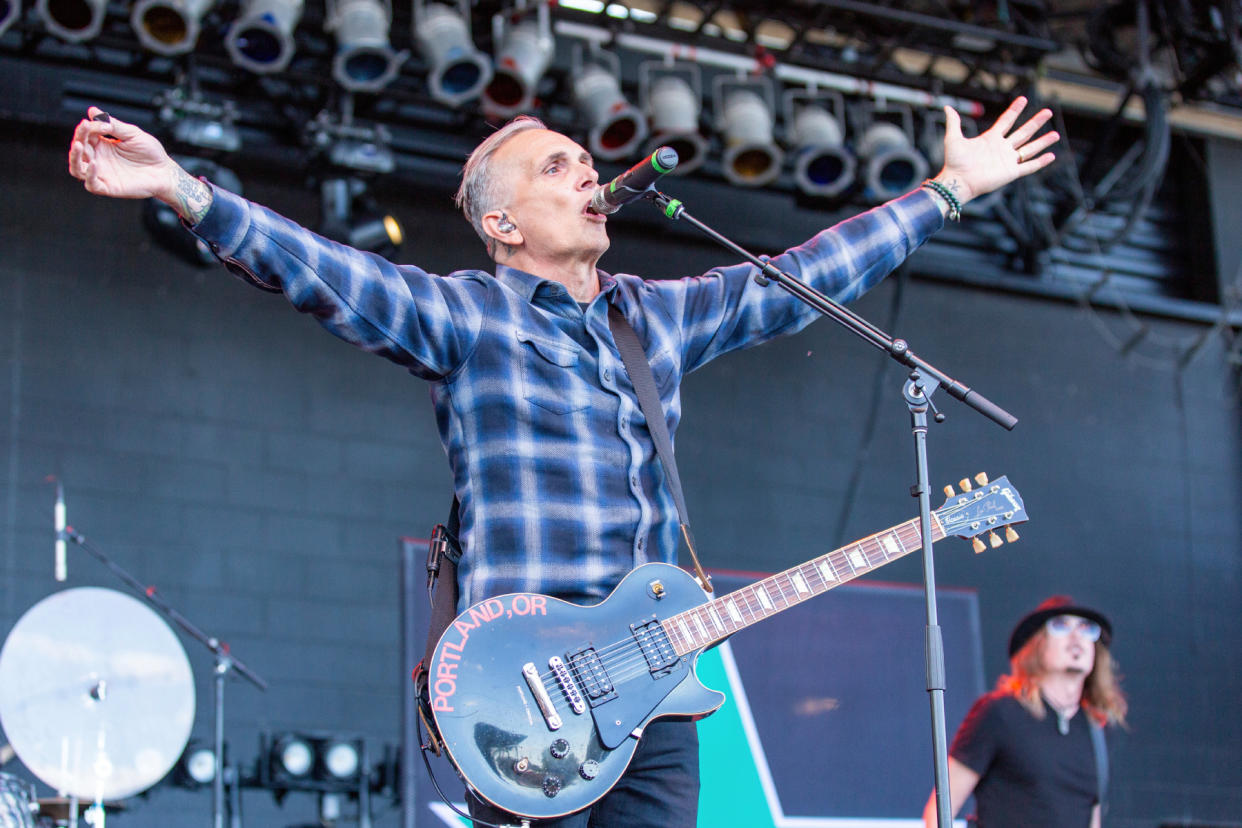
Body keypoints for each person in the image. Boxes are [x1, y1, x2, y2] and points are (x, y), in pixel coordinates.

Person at [69, 97, 1057, 828]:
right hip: (521, 689)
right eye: (555, 169)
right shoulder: (469, 313)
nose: (586, 176)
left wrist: (952, 189)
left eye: (586, 163)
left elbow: (801, 282)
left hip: (657, 695)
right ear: (501, 226)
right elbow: (330, 273)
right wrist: (181, 187)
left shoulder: (654, 317)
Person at [922, 595, 1129, 828]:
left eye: (1086, 628)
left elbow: (1093, 818)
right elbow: (939, 811)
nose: (1076, 637)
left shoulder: (1098, 731)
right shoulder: (999, 713)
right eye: (1061, 625)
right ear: (1036, 644)